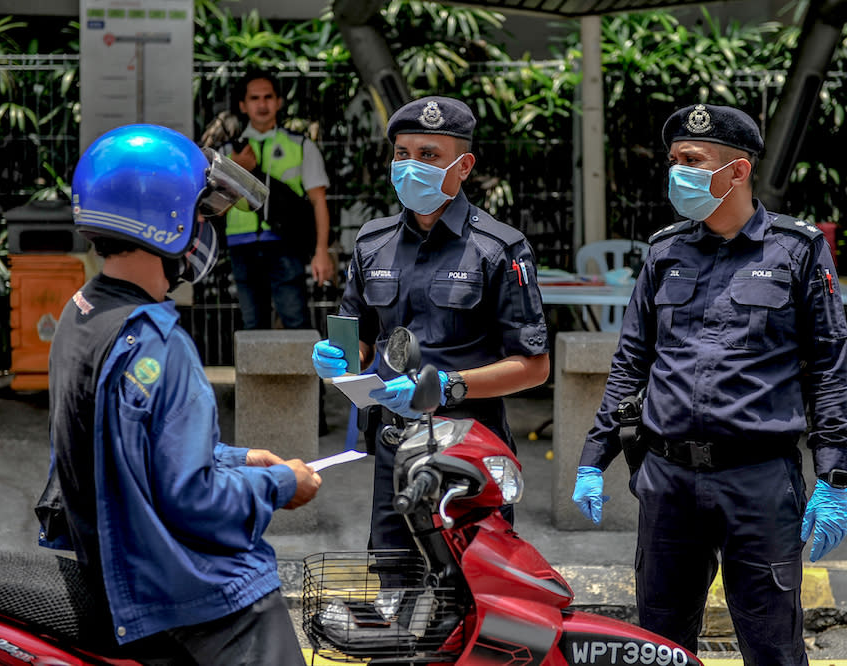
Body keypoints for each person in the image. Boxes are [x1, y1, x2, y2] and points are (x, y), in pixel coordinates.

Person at [571, 103, 847, 665]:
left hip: (759, 481)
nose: (677, 172)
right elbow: (631, 361)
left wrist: (833, 475)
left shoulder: (796, 251)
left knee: (771, 644)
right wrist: (592, 458)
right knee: (659, 645)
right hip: (668, 479)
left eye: (692, 161)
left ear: (738, 171)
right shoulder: (664, 251)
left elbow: (829, 365)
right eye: (674, 160)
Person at [36, 124, 322, 664]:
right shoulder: (159, 344)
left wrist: (238, 457)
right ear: (165, 219)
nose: (203, 232)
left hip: (119, 564)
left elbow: (126, 443)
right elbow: (194, 500)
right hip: (176, 588)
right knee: (264, 602)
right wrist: (282, 483)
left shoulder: (81, 316)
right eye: (200, 215)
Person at [311, 96, 551, 550]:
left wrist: (445, 386)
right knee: (393, 583)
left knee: (469, 589)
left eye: (429, 155)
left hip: (470, 445)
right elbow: (359, 336)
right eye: (402, 153)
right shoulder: (372, 242)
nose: (410, 165)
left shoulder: (499, 248)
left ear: (464, 166)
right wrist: (338, 357)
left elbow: (534, 367)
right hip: (393, 443)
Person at [223, 69, 334, 330]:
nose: (262, 104)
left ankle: (307, 372)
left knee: (296, 322)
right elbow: (212, 208)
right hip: (241, 245)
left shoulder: (300, 144)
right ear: (243, 104)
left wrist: (321, 252)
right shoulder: (228, 152)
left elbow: (319, 201)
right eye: (254, 98)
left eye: (268, 97)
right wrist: (234, 169)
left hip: (286, 244)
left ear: (279, 102)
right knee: (252, 327)